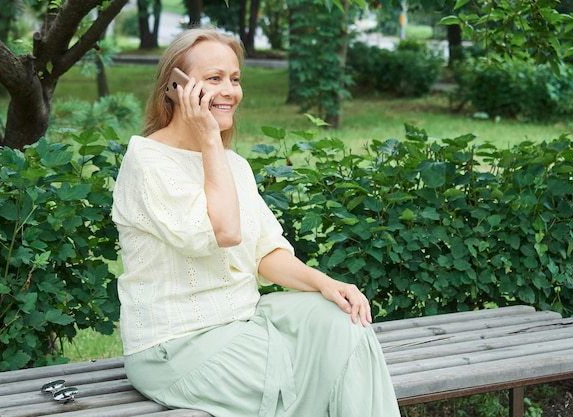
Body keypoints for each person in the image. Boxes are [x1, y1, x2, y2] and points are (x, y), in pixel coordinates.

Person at [111, 27, 401, 417]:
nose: (229, 91)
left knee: (343, 322)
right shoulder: (147, 161)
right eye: (214, 79)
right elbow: (225, 232)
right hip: (175, 345)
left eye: (234, 79)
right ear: (176, 87)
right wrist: (211, 140)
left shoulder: (234, 166)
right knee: (302, 380)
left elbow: (264, 252)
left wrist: (328, 284)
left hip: (241, 320)